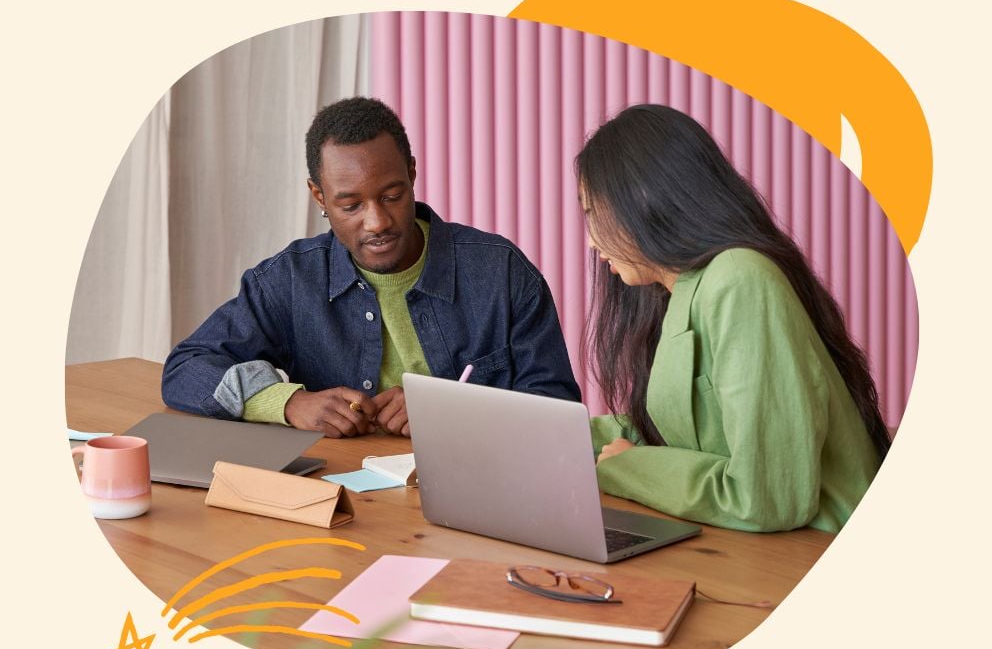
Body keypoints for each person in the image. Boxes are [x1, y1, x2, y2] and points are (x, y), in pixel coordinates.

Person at [162, 96, 580, 437]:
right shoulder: (291, 281)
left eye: (392, 195)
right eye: (351, 205)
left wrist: (449, 412)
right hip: (340, 500)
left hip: (476, 495)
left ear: (413, 173)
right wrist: (287, 402)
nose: (377, 221)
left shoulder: (500, 273)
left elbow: (559, 409)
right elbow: (186, 369)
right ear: (319, 197)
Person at [578, 104, 888, 533]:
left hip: (814, 555)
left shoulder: (739, 278)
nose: (592, 241)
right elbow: (680, 431)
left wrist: (626, 468)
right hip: (754, 554)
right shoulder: (681, 293)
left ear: (643, 196)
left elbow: (767, 498)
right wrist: (559, 438)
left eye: (592, 212)